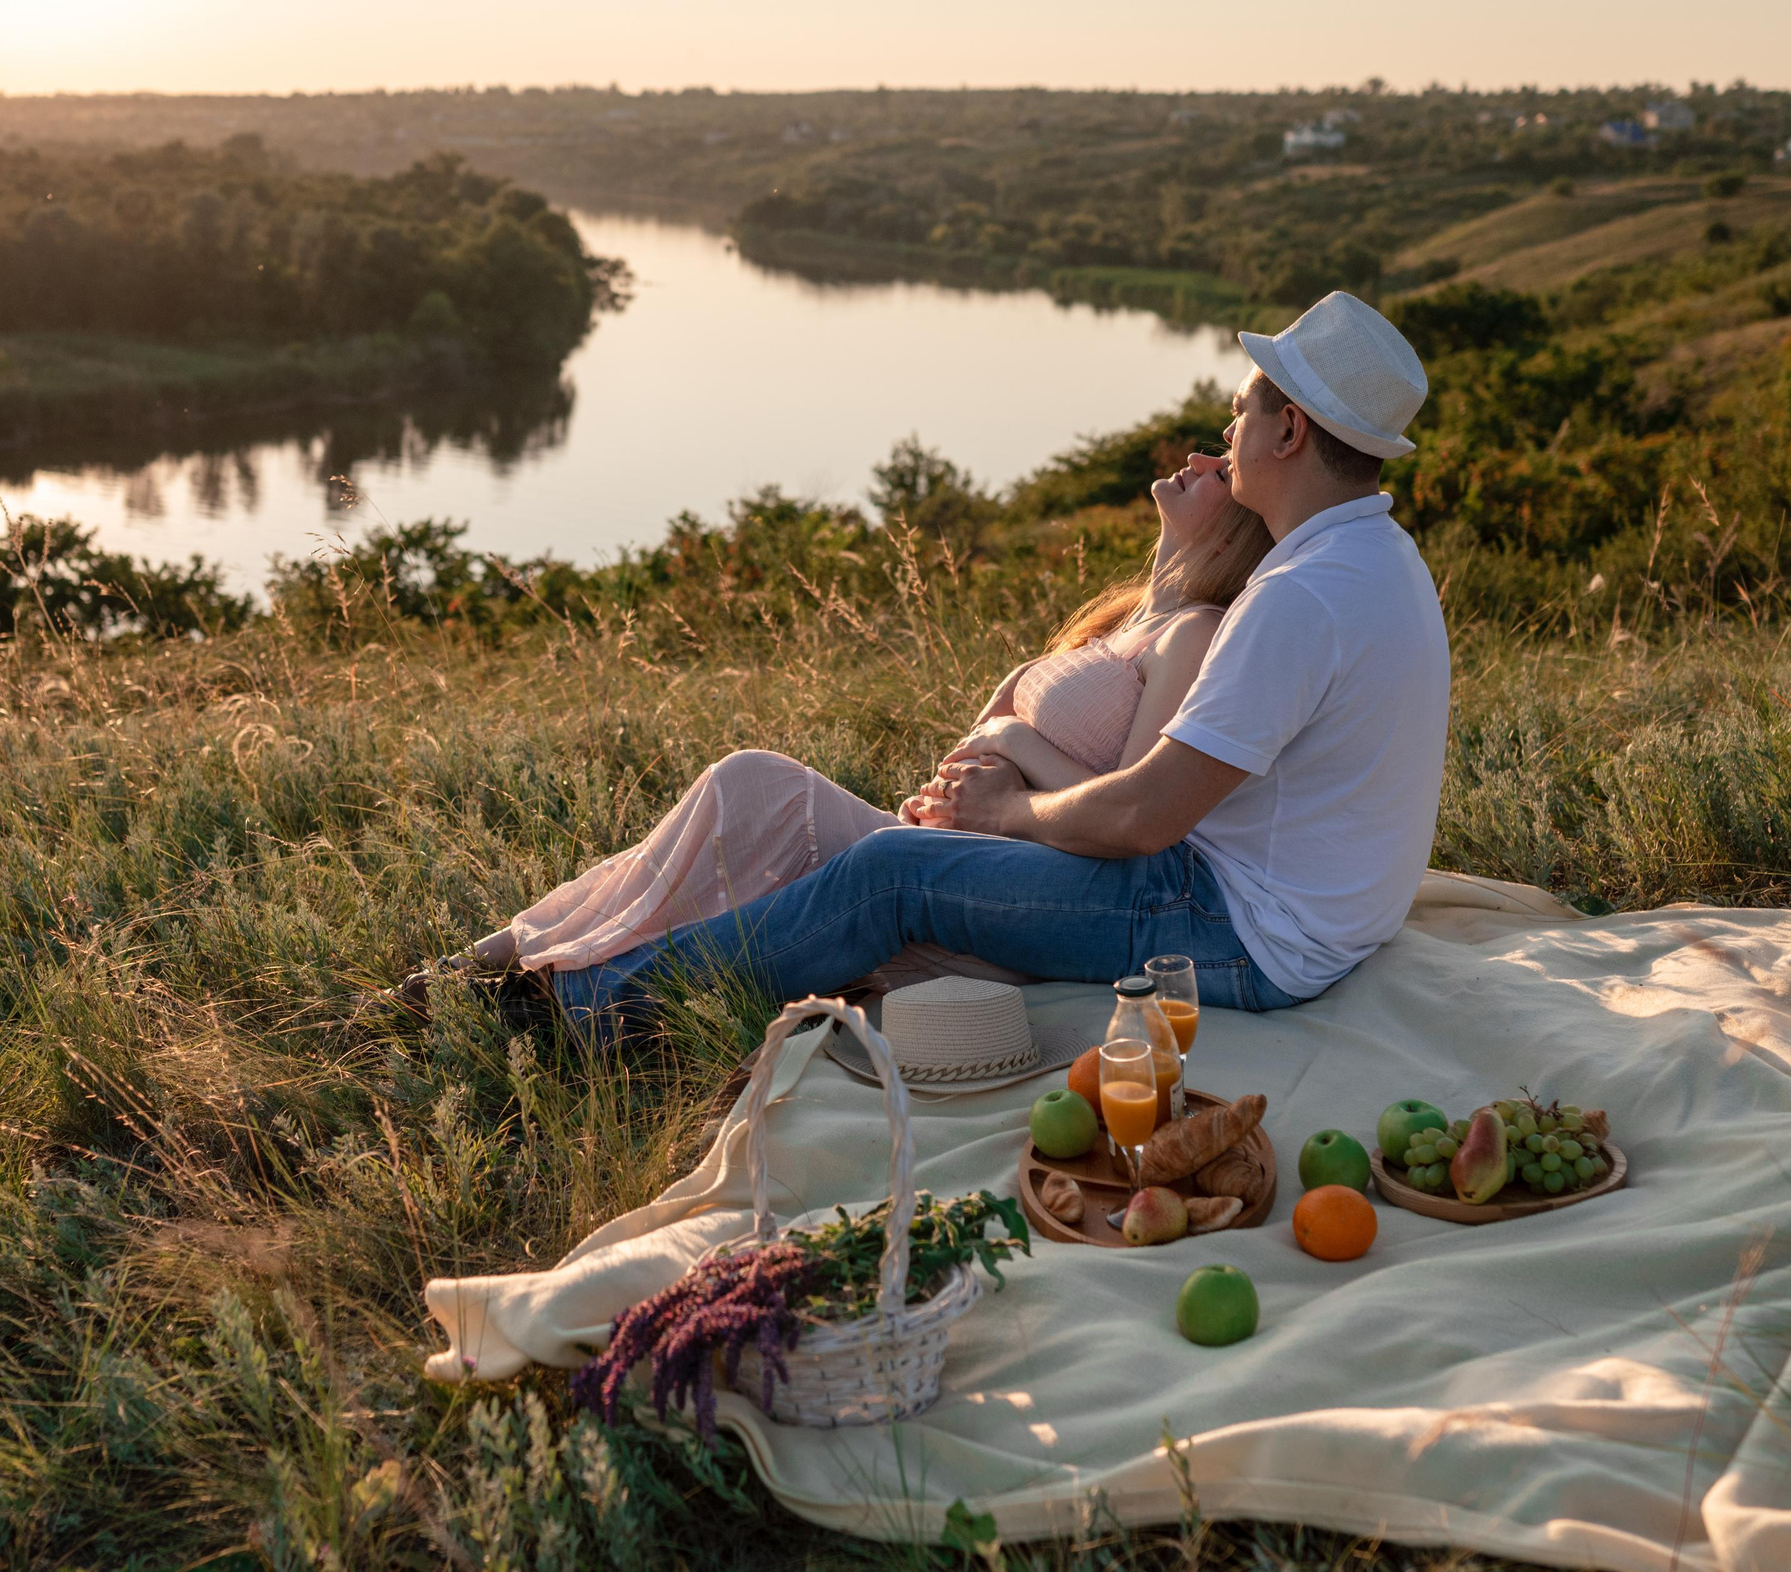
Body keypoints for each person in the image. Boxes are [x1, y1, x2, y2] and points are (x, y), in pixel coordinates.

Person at [453, 290, 1445, 1038]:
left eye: (1238, 411)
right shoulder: (1375, 560)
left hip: (1238, 931)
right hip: (1301, 920)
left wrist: (1007, 811)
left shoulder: (1298, 595)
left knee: (890, 873)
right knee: (846, 838)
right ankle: (556, 964)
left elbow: (1145, 818)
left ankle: (577, 1016)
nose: (1225, 435)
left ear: (1289, 428)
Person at [378, 446, 1272, 1021]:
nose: (1198, 457)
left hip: (1016, 883)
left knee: (753, 791)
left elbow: (1128, 807)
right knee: (743, 791)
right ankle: (503, 956)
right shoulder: (1126, 615)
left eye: (1222, 468)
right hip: (960, 839)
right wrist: (963, 772)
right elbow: (1003, 730)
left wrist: (1008, 750)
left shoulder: (1191, 633)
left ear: (1234, 530)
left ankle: (551, 992)